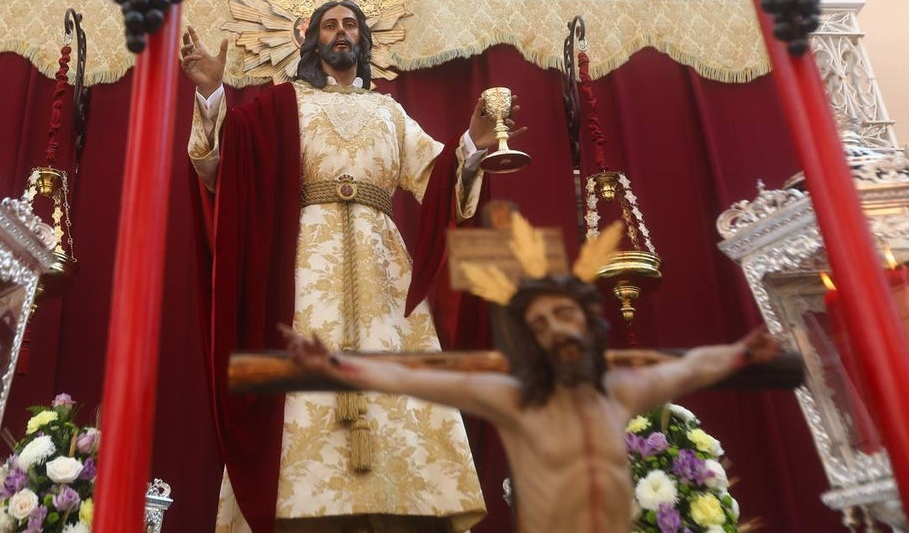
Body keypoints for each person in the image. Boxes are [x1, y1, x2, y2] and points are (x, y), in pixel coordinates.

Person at [182, 0, 523, 533]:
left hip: (384, 269)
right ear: (310, 41)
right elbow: (220, 166)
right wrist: (210, 92)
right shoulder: (282, 106)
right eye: (329, 26)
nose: (341, 34)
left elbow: (434, 180)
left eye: (350, 26)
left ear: (364, 40)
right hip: (303, 266)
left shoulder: (389, 111)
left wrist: (473, 147)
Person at [284, 223, 782, 533]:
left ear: (588, 320)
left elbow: (693, 367)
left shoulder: (624, 389)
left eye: (564, 315)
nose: (555, 330)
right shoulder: (515, 399)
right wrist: (335, 366)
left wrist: (741, 353)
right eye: (539, 325)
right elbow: (418, 380)